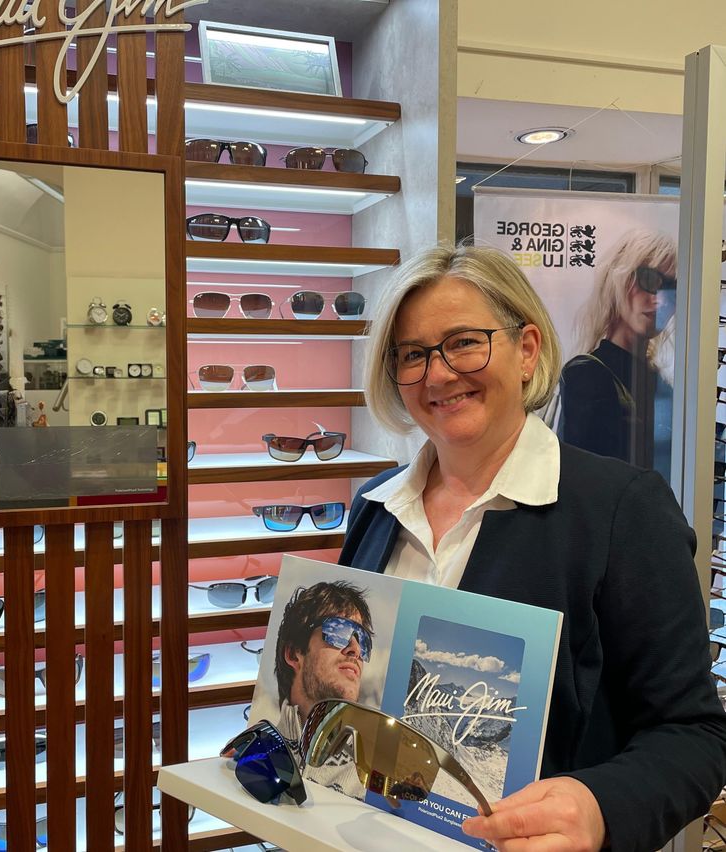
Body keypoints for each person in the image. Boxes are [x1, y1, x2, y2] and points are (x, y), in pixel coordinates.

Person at [339, 243, 726, 852]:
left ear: (526, 350)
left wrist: (599, 807)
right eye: (413, 354)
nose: (438, 374)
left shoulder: (622, 511)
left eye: (464, 342)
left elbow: (694, 734)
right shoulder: (375, 505)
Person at [558, 229, 677, 473]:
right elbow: (585, 479)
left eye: (671, 288)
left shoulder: (659, 382)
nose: (661, 300)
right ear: (620, 280)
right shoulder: (587, 376)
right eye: (649, 280)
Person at [273, 580, 374, 799]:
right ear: (293, 654)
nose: (355, 650)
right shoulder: (258, 752)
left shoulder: (375, 778)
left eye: (363, 641)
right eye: (338, 631)